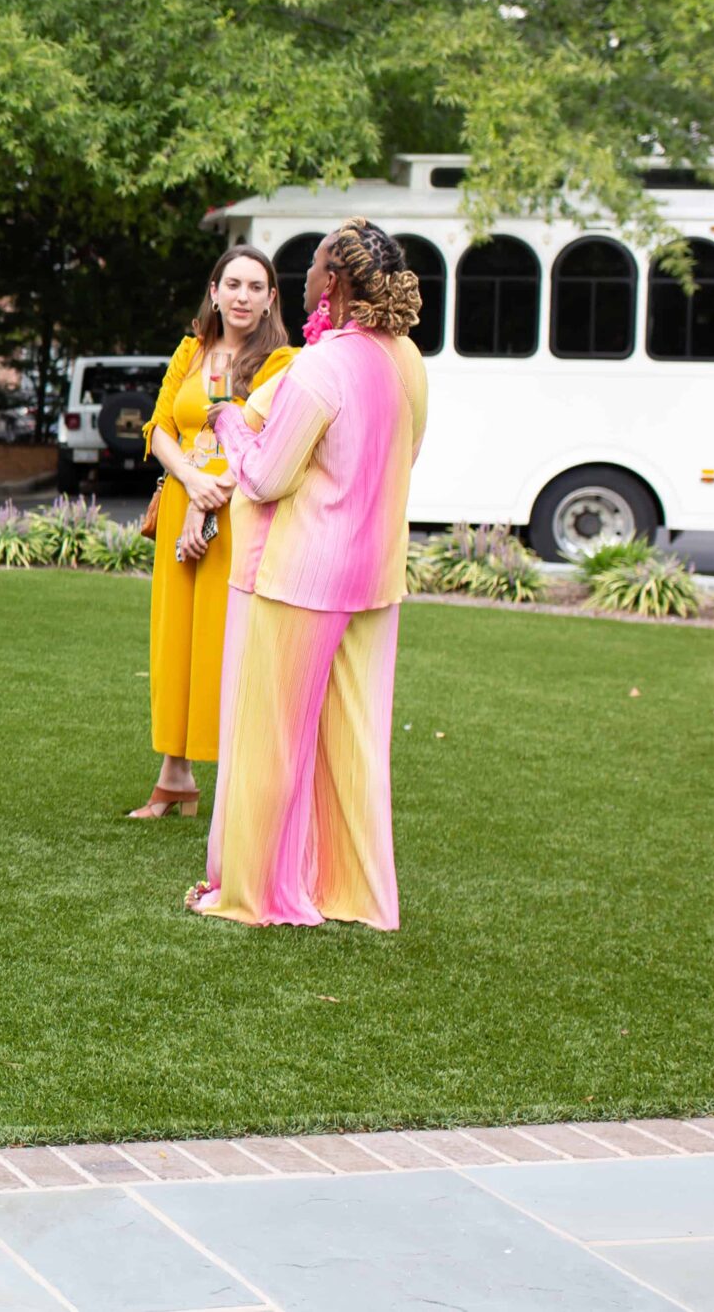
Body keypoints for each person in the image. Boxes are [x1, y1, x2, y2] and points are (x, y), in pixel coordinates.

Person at [190, 220, 429, 930]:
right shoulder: (408, 358)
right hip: (377, 572)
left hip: (303, 574)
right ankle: (358, 892)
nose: (304, 275)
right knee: (358, 743)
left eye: (316, 263)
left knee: (271, 738)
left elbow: (263, 477)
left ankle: (257, 892)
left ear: (337, 281)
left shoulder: (318, 368)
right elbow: (407, 452)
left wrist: (231, 421)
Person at [131, 246, 295, 820]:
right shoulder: (192, 350)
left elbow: (273, 442)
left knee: (228, 646)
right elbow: (160, 427)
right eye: (234, 284)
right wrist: (192, 484)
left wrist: (212, 495)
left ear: (272, 297)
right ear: (215, 291)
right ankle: (174, 776)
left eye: (256, 286)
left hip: (239, 514)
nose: (243, 296)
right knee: (175, 639)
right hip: (183, 501)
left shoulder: (281, 363)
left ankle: (237, 785)